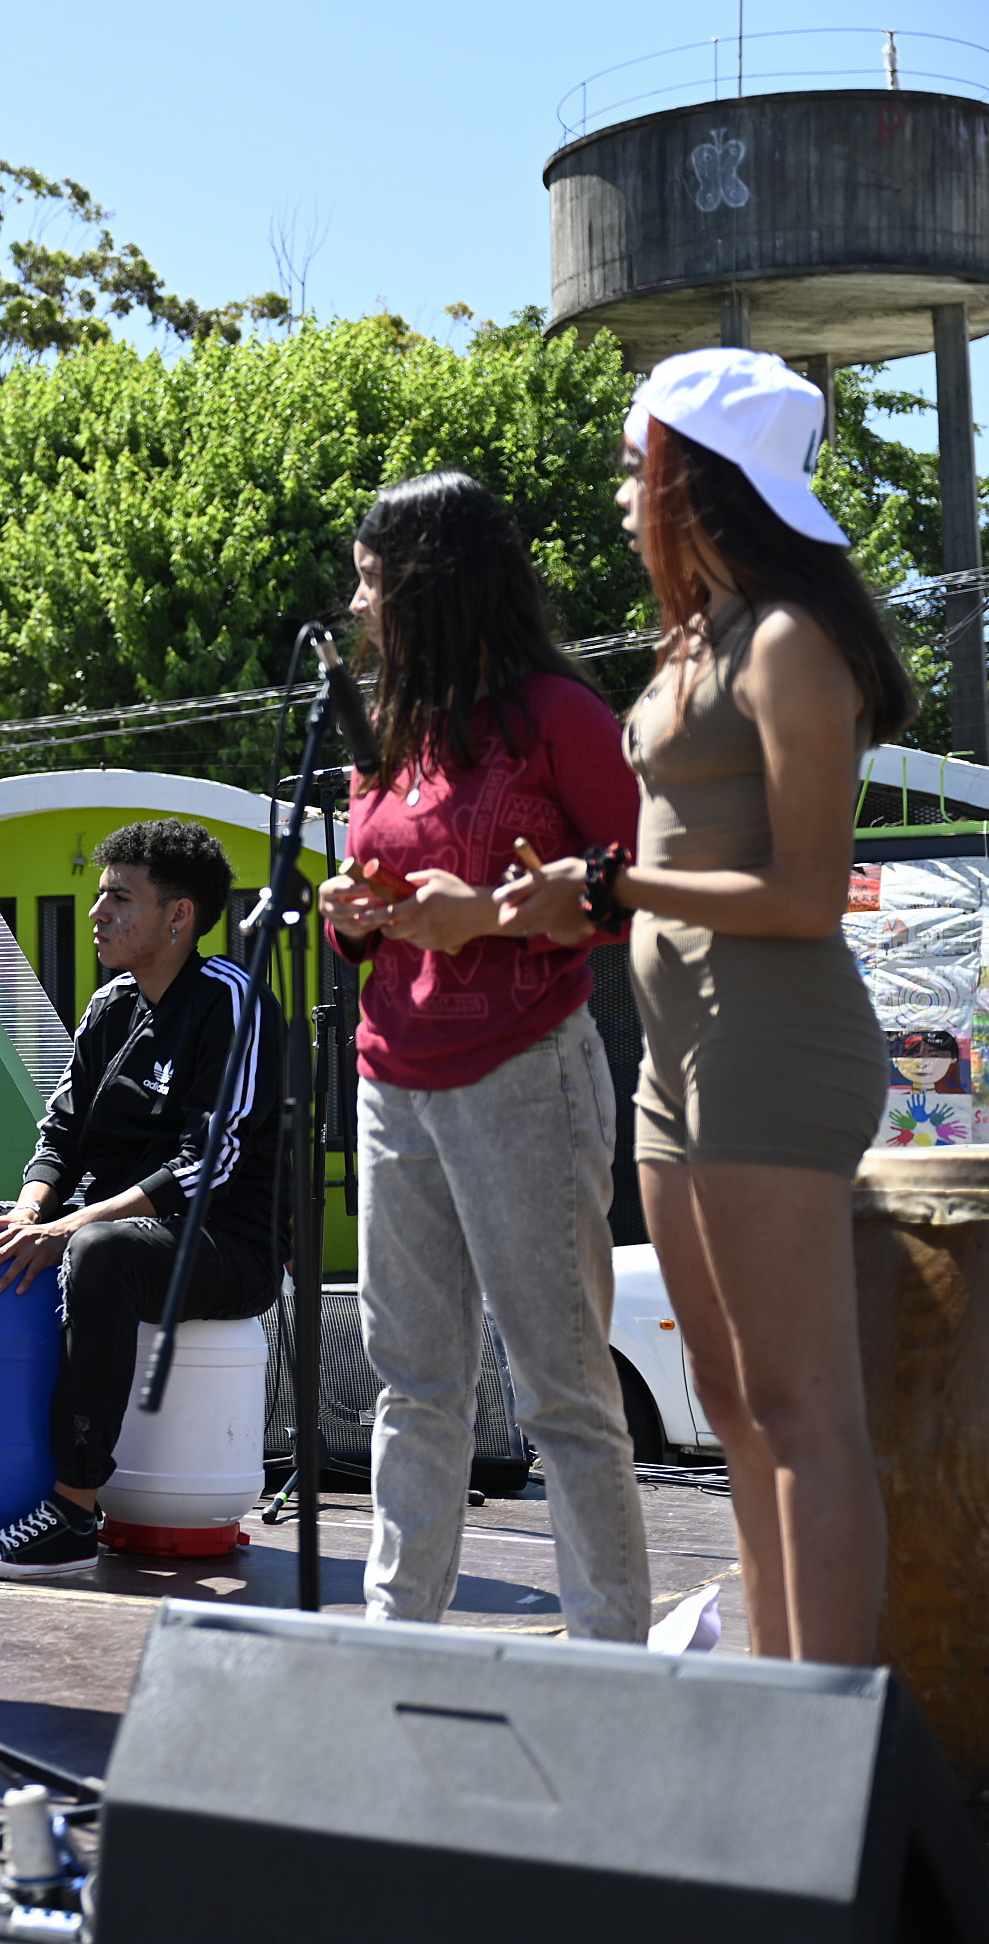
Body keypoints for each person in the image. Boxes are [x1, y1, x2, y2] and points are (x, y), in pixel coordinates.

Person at [499, 348, 914, 1664]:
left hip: (772, 1046)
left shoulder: (791, 642)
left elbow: (805, 891)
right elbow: (672, 869)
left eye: (636, 467)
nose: (621, 494)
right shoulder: (701, 638)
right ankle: (764, 1704)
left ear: (694, 477)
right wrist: (572, 900)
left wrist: (614, 879)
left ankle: (826, 1738)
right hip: (679, 1059)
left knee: (803, 1409)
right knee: (732, 1404)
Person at [314, 471, 652, 1644]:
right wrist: (348, 910)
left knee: (562, 1387)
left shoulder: (562, 713)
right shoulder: (391, 730)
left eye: (369, 580)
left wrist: (494, 918)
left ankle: (611, 1647)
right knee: (413, 1380)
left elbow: (639, 890)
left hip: (525, 1075)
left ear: (426, 581)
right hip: (391, 1077)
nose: (357, 606)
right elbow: (370, 882)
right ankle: (399, 1629)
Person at [0, 821, 280, 1583]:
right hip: (94, 1219)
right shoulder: (108, 1007)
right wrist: (32, 1212)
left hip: (222, 1242)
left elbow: (210, 1163)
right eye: (98, 897)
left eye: (118, 899)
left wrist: (70, 1227)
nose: (97, 914)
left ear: (179, 917)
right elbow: (60, 1133)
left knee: (101, 1254)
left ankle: (69, 1511)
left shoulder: (232, 1001)